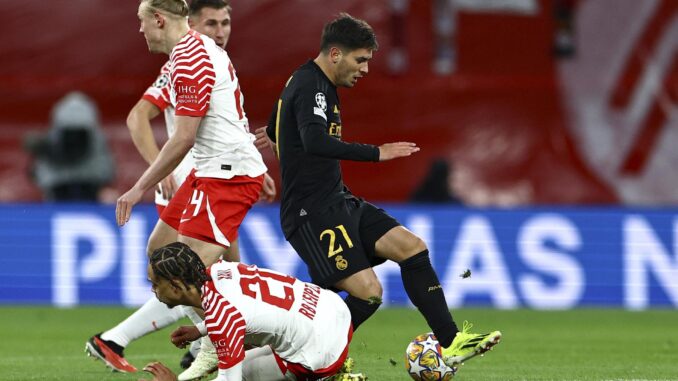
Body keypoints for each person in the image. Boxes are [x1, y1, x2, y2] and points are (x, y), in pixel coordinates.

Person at [255, 13, 500, 370]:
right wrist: (376, 152)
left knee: (411, 248)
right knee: (367, 294)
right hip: (311, 213)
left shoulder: (311, 84)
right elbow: (314, 139)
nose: (366, 69)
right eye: (361, 60)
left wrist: (279, 131)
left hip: (339, 202)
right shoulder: (311, 85)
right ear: (335, 54)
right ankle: (311, 362)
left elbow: (290, 125)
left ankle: (450, 343)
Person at [86, 1, 268, 379]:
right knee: (160, 254)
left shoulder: (191, 58)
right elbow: (227, 116)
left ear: (158, 19)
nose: (140, 31)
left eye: (141, 22)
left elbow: (184, 138)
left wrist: (137, 188)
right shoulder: (189, 53)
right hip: (211, 171)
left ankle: (223, 349)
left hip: (229, 177)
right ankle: (224, 340)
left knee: (197, 272)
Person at [143, 242, 362, 381]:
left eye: (155, 284)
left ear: (174, 285)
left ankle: (330, 378)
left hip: (321, 352)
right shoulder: (220, 269)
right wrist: (201, 330)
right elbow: (247, 308)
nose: (153, 289)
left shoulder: (223, 316)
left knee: (242, 373)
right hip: (332, 310)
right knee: (247, 353)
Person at [24, 91, 115, 201]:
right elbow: (35, 173)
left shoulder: (97, 142)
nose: (74, 138)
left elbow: (106, 170)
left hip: (91, 191)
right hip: (57, 191)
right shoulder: (50, 141)